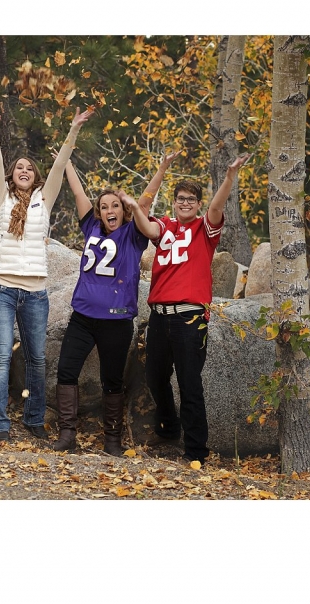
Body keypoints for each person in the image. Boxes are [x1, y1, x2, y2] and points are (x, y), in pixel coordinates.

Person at [0, 95, 93, 441]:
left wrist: (73, 129)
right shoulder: (1, 197)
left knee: (37, 358)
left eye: (29, 168)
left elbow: (60, 165)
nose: (24, 171)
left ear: (36, 176)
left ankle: (34, 418)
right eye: (19, 168)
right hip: (0, 288)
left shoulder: (44, 200)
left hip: (36, 292)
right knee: (0, 357)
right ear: (12, 175)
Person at [118, 153, 250, 465]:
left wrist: (229, 177)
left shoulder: (204, 229)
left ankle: (196, 451)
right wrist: (161, 170)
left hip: (190, 317)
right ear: (175, 202)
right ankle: (169, 429)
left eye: (191, 199)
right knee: (155, 376)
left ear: (197, 203)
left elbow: (216, 208)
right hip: (160, 317)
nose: (186, 203)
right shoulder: (165, 227)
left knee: (190, 383)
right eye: (181, 199)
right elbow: (144, 217)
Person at [51, 158, 157, 455]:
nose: (110, 210)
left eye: (115, 205)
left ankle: (112, 440)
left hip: (116, 320)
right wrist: (66, 160)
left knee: (112, 380)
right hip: (83, 317)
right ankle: (67, 435)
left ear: (124, 210)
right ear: (99, 212)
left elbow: (146, 202)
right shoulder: (91, 228)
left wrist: (160, 170)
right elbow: (78, 193)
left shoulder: (133, 235)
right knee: (66, 370)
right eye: (104, 206)